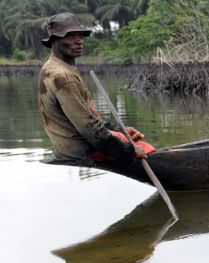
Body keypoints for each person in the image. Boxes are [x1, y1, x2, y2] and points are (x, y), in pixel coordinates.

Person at [38, 12, 150, 165]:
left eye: (81, 36)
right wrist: (129, 151)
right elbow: (90, 130)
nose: (79, 41)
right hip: (79, 158)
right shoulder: (63, 77)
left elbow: (86, 117)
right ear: (54, 41)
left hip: (71, 152)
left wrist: (117, 129)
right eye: (71, 36)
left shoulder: (55, 66)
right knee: (146, 149)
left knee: (137, 145)